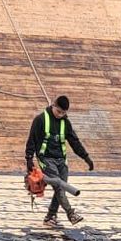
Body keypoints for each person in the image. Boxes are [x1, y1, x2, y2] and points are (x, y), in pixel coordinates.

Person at [24, 94, 94, 227]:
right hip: (46, 159)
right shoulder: (40, 120)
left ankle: (50, 217)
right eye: (58, 111)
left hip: (61, 160)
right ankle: (71, 213)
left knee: (59, 188)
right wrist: (29, 158)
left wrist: (86, 157)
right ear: (53, 105)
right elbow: (31, 140)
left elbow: (74, 142)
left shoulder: (65, 123)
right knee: (59, 186)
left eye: (63, 113)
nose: (60, 115)